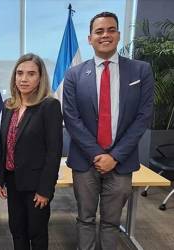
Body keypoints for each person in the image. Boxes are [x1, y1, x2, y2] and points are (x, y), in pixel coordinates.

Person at [63, 12, 154, 250]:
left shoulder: (140, 71)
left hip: (121, 162)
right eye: (99, 31)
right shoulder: (74, 74)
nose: (105, 35)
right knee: (85, 219)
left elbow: (143, 117)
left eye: (111, 30)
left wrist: (114, 156)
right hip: (85, 161)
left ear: (118, 35)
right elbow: (71, 118)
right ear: (90, 38)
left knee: (112, 222)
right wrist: (97, 154)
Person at [0, 53, 62, 250]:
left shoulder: (49, 106)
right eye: (20, 73)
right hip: (13, 180)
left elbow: (54, 152)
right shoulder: (9, 105)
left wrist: (45, 190)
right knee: (17, 229)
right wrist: (0, 178)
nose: (24, 78)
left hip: (36, 185)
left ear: (40, 78)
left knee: (37, 232)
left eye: (31, 74)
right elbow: (3, 145)